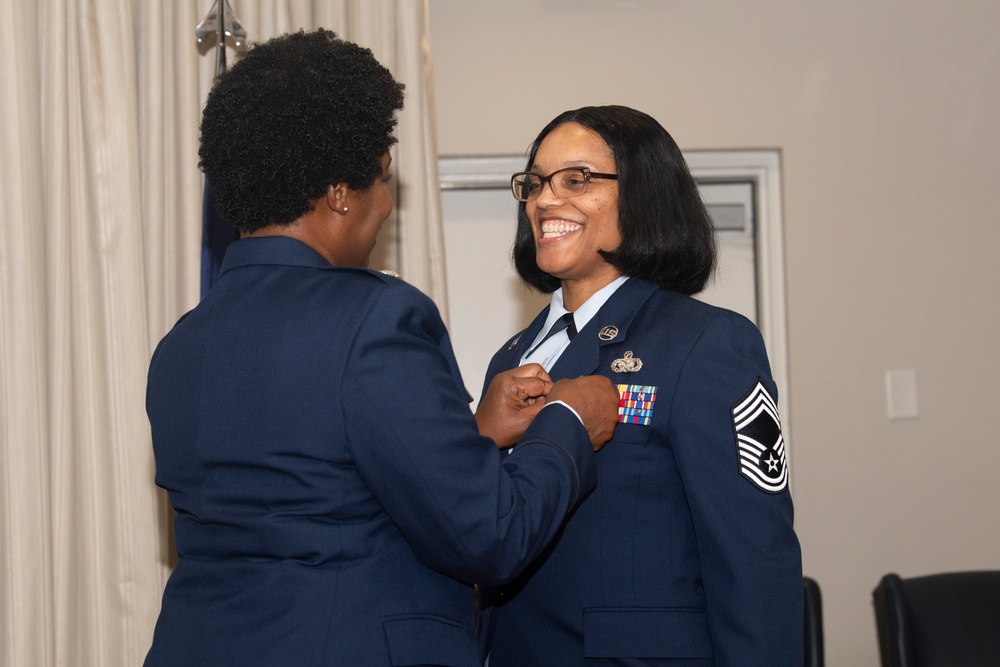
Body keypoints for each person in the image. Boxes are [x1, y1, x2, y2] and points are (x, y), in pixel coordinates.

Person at [143, 31, 619, 667]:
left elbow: (317, 485)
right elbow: (489, 535)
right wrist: (565, 424)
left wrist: (473, 432)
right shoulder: (374, 317)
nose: (389, 205)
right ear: (341, 192)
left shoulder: (181, 346)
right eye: (382, 181)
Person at [479, 105, 803, 666]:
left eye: (576, 179)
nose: (544, 200)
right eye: (534, 183)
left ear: (644, 194)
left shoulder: (706, 342)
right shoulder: (510, 358)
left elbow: (754, 558)